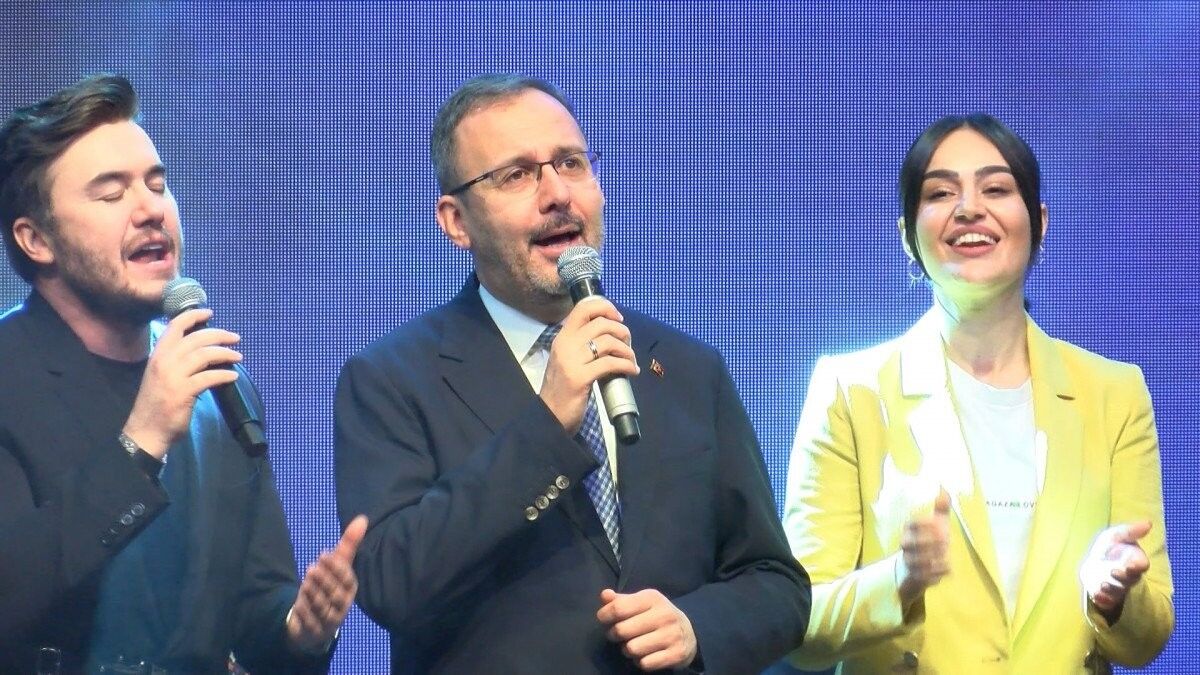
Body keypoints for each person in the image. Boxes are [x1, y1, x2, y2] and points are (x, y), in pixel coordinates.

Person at [334, 73, 811, 674]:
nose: (558, 194)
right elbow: (389, 583)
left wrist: (698, 628)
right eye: (516, 174)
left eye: (571, 163)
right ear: (456, 221)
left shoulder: (686, 367)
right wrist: (547, 425)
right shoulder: (391, 379)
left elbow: (776, 584)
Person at [0, 74, 366, 673]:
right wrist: (140, 444)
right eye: (111, 194)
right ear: (36, 239)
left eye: (157, 184)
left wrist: (297, 632)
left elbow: (253, 610)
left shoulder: (218, 386)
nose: (152, 210)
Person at [782, 114, 1174, 673]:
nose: (969, 209)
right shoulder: (850, 390)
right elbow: (797, 624)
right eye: (940, 193)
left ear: (1038, 222)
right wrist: (899, 580)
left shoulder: (1115, 393)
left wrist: (1114, 596)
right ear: (909, 235)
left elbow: (1147, 639)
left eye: (996, 189)